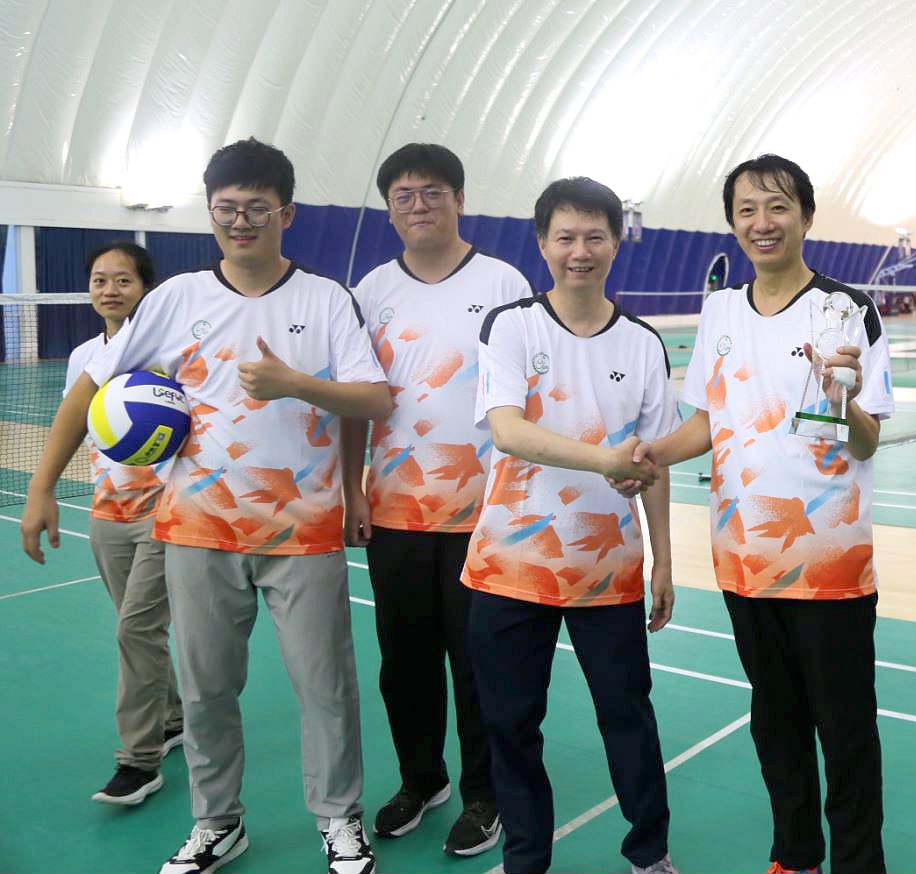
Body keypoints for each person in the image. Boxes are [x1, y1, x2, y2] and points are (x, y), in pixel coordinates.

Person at [22, 138, 394, 874]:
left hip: (303, 532)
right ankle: (217, 822)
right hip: (196, 530)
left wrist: (295, 385)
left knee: (325, 687)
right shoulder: (175, 299)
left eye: (257, 207)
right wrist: (42, 488)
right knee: (206, 692)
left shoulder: (325, 299)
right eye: (227, 208)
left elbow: (374, 398)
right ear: (211, 212)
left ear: (286, 213)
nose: (241, 221)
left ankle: (338, 818)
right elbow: (90, 388)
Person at [629, 154, 895, 874]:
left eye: (778, 206)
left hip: (829, 559)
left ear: (806, 216)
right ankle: (795, 855)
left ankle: (859, 865)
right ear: (732, 222)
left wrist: (843, 398)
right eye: (747, 209)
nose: (762, 222)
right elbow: (706, 421)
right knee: (775, 718)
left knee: (845, 729)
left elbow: (868, 439)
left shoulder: (845, 308)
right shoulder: (720, 310)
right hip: (743, 556)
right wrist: (652, 454)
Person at [466, 176, 678, 874]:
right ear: (542, 244)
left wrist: (663, 560)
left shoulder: (642, 343)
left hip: (606, 567)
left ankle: (649, 851)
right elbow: (508, 430)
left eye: (594, 236)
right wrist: (603, 459)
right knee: (510, 723)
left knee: (626, 714)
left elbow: (653, 463)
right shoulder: (510, 326)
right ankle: (526, 858)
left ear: (616, 243)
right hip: (509, 564)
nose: (579, 251)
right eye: (566, 237)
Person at [344, 144, 532, 856]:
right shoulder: (370, 291)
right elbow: (357, 400)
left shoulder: (504, 281)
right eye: (403, 195)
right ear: (389, 209)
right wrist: (353, 488)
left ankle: (487, 795)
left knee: (479, 662)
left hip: (484, 513)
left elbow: (526, 395)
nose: (417, 205)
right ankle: (422, 780)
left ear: (459, 200)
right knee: (404, 663)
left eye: (431, 192)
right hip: (395, 510)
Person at [64, 241, 186, 805]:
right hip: (107, 512)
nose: (109, 290)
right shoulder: (84, 357)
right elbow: (78, 426)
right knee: (139, 630)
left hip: (165, 511)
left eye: (122, 280)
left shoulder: (171, 351)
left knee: (136, 629)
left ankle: (139, 761)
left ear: (146, 289)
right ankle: (174, 716)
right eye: (99, 280)